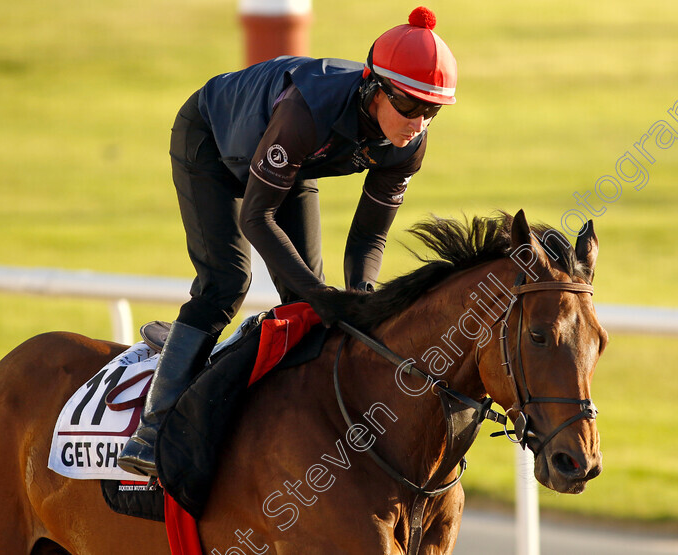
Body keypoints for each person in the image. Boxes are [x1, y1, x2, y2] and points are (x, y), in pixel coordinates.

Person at [118, 7, 457, 477]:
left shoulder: (409, 144)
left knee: (306, 302)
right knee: (227, 281)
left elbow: (368, 237)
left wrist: (361, 305)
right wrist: (324, 296)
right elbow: (257, 219)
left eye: (432, 110)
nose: (418, 123)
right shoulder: (307, 109)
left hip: (294, 163)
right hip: (211, 144)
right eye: (409, 106)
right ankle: (153, 430)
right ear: (374, 87)